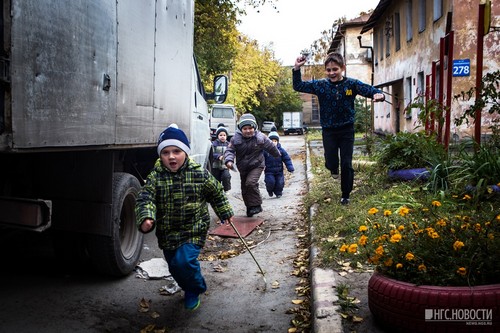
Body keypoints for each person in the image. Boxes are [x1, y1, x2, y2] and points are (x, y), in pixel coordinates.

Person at [135, 124, 234, 311]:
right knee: (174, 266)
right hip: (168, 232)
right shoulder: (156, 177)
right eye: (165, 152)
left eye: (176, 151)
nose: (171, 156)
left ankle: (194, 289)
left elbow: (217, 193)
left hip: (194, 228)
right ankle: (188, 284)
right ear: (160, 156)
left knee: (184, 261)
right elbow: (145, 198)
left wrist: (225, 213)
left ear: (186, 153)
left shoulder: (198, 173)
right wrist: (146, 216)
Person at [293, 52, 385, 205]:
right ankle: (332, 168)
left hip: (346, 130)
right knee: (331, 159)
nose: (331, 73)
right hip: (329, 131)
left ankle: (345, 195)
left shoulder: (351, 84)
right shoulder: (320, 85)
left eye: (335, 69)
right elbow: (298, 86)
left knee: (347, 163)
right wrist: (296, 68)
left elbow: (369, 90)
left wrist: (378, 94)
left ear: (342, 68)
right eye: (328, 70)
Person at [224, 113, 280, 217]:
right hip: (243, 167)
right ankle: (250, 208)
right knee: (245, 188)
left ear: (254, 127)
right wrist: (228, 161)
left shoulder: (260, 137)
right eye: (245, 128)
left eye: (250, 128)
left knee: (250, 183)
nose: (248, 131)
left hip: (257, 165)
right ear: (241, 129)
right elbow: (230, 150)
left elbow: (270, 146)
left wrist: (277, 154)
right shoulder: (235, 139)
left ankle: (257, 205)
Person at [263, 131, 294, 198]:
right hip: (269, 171)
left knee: (280, 183)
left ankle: (278, 192)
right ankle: (270, 190)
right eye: (271, 141)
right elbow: (261, 159)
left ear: (277, 142)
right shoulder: (265, 151)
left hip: (279, 171)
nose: (273, 142)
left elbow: (287, 159)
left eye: (275, 141)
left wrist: (290, 167)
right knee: (270, 182)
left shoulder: (281, 150)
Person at [211, 125, 231, 192]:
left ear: (226, 136)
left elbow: (231, 153)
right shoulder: (214, 144)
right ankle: (217, 191)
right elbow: (212, 153)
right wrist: (218, 156)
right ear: (217, 136)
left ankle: (226, 189)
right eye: (220, 135)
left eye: (224, 135)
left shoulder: (228, 144)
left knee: (226, 177)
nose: (222, 137)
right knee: (216, 179)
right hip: (215, 166)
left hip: (225, 166)